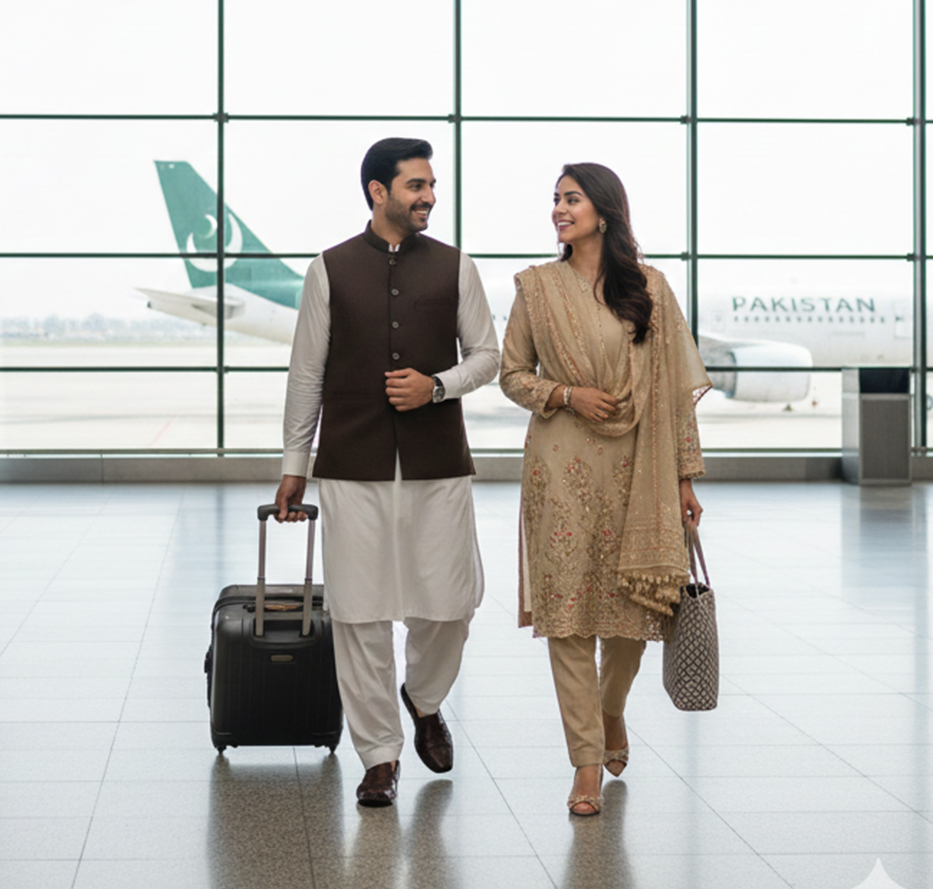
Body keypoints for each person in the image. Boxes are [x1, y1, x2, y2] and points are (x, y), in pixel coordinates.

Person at [274, 137, 501, 806]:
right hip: (352, 464)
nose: (429, 196)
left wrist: (436, 386)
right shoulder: (329, 269)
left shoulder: (457, 268)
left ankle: (424, 698)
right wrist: (294, 463)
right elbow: (306, 373)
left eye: (431, 185)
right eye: (415, 186)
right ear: (378, 191)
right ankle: (379, 754)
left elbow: (486, 356)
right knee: (359, 613)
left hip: (438, 466)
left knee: (451, 604)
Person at [499, 162, 710, 816]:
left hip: (637, 471)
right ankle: (585, 764)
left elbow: (676, 394)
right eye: (555, 200)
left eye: (572, 198)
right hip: (559, 469)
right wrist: (564, 394)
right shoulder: (535, 288)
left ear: (605, 211)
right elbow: (512, 375)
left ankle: (611, 708)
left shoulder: (648, 288)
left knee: (630, 618)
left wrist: (682, 479)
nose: (560, 209)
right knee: (568, 623)